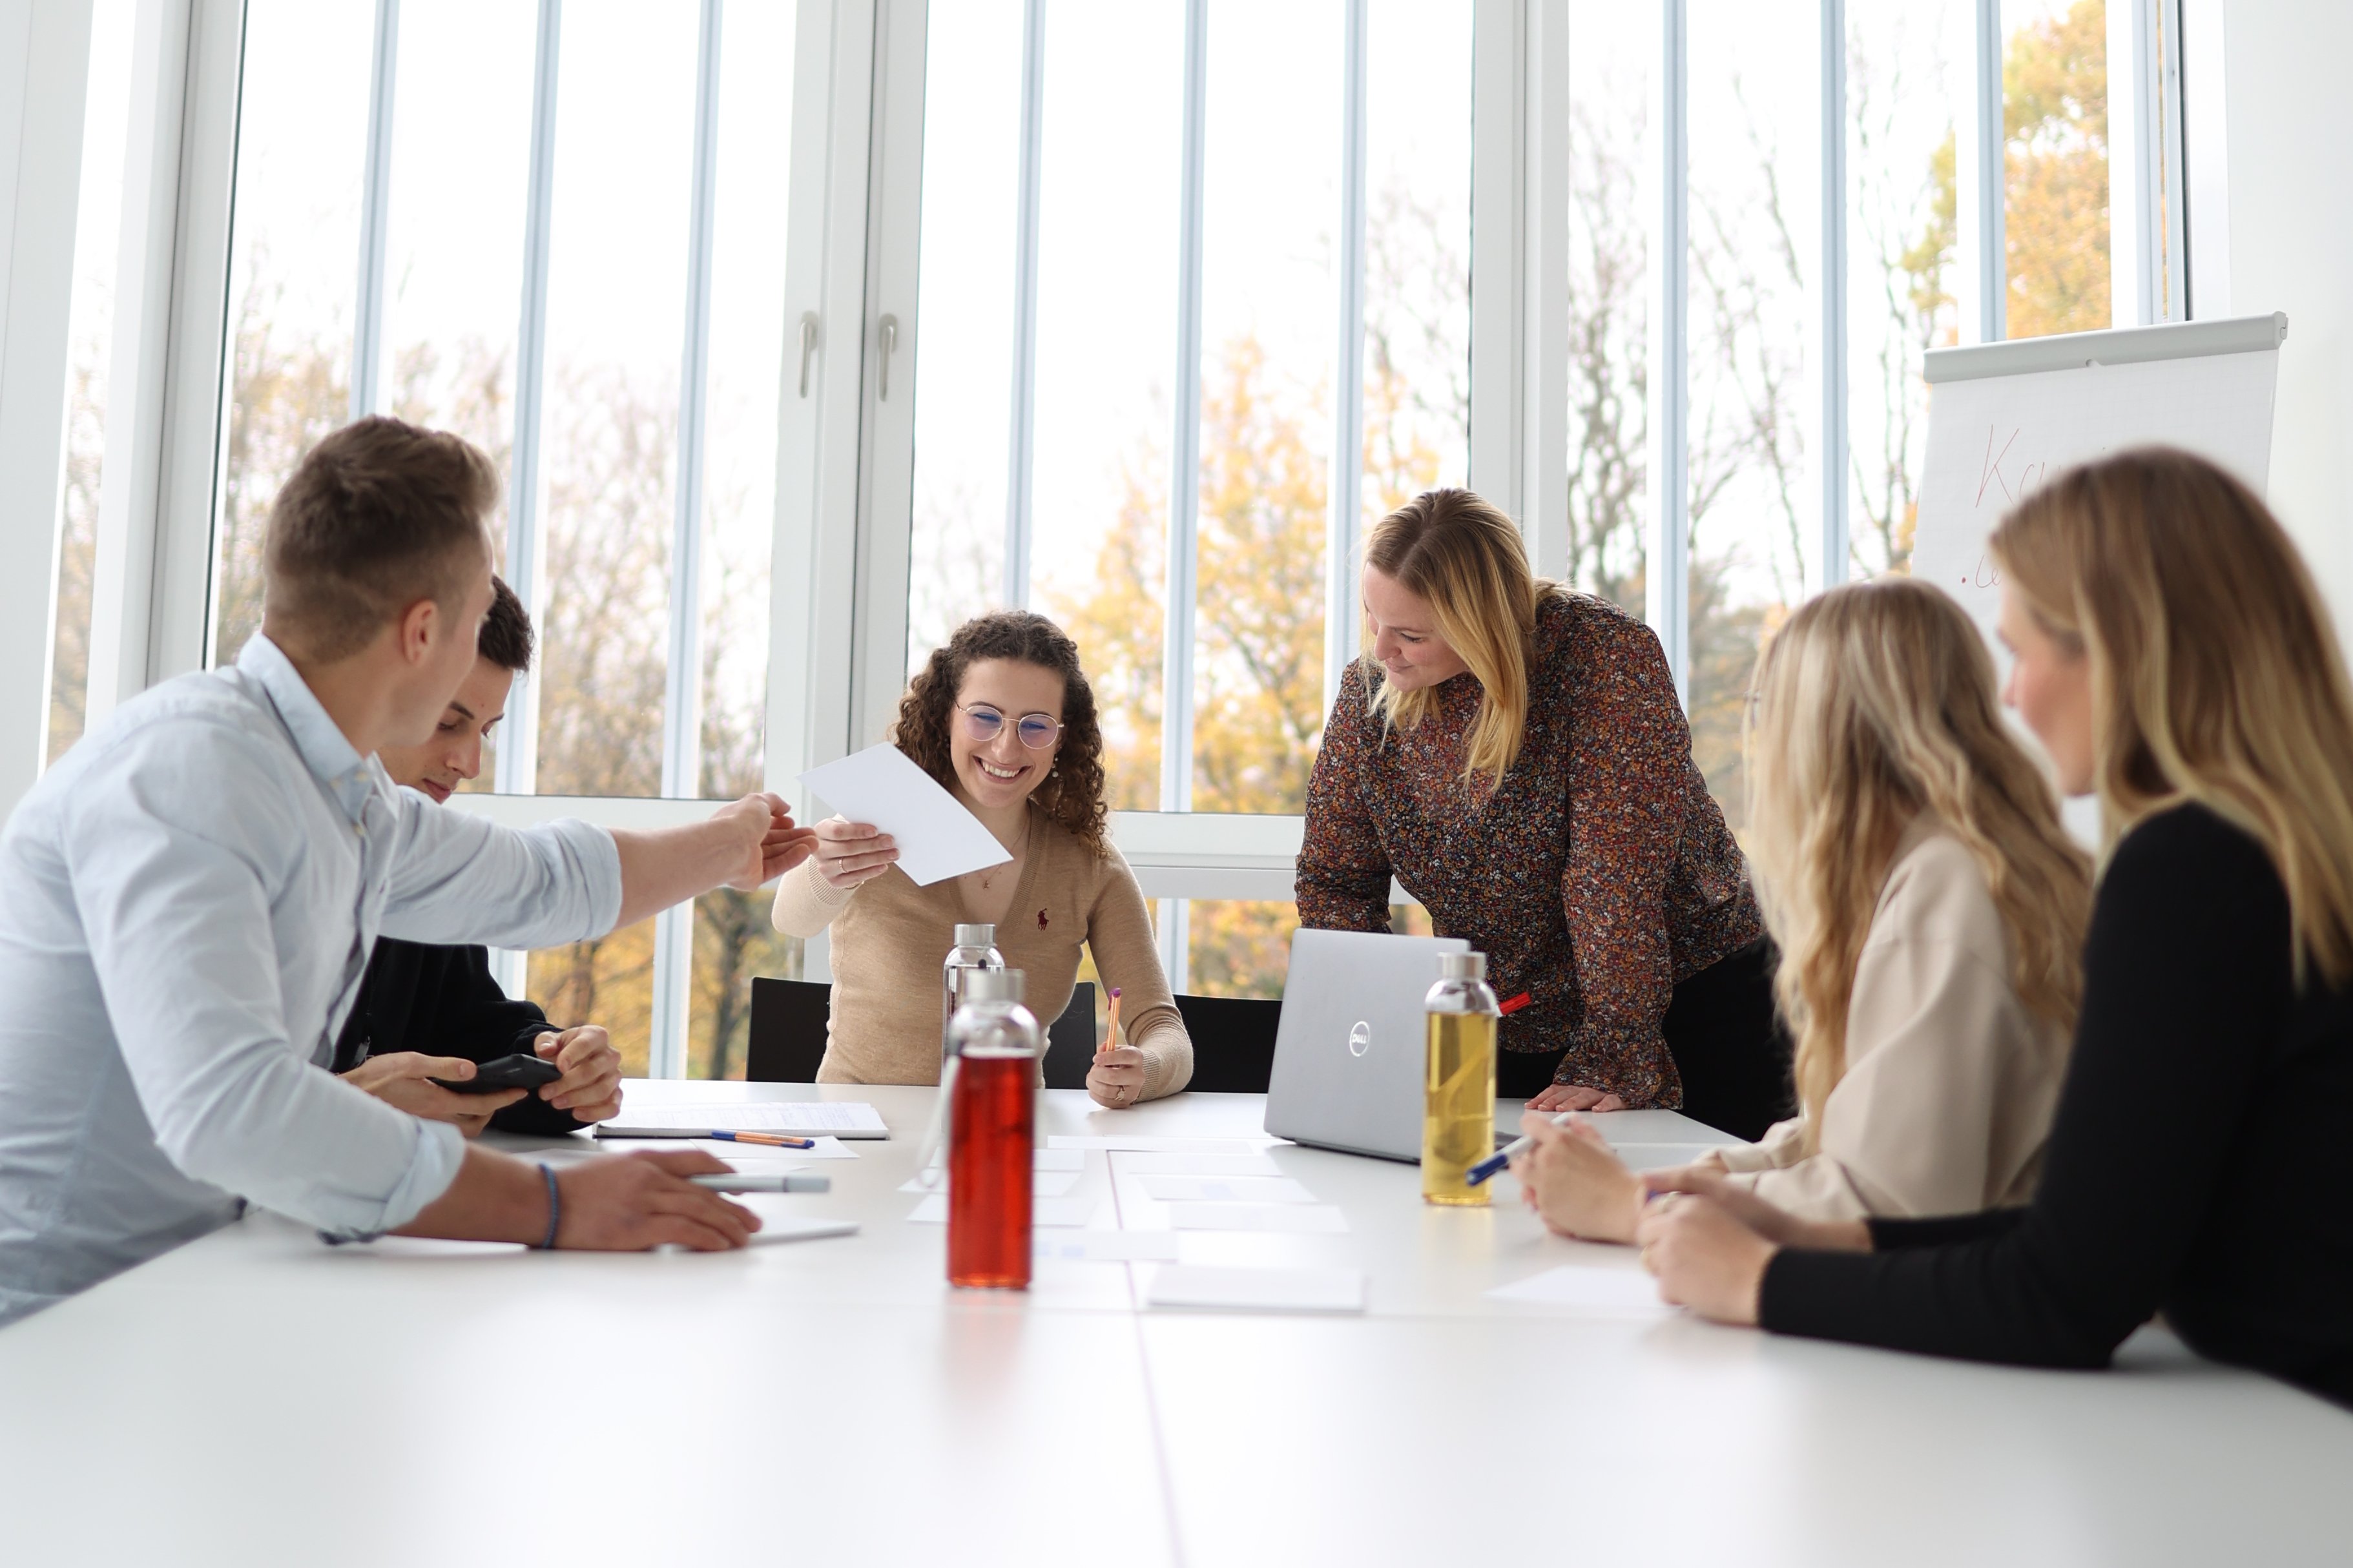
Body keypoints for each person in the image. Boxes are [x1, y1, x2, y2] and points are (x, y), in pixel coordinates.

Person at [0, 416, 820, 1325]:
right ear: (424, 632)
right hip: (50, 1329)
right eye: (476, 620)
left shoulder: (333, 790)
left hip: (182, 1288)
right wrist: (557, 1206)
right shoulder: (190, 773)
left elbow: (539, 882)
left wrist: (728, 844)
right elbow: (233, 1110)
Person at [1635, 449, 2353, 1408]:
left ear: (2123, 649)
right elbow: (2081, 1237)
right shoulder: (2279, 849)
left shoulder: (2189, 868)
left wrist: (1758, 1282)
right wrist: (1815, 1236)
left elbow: (2061, 1298)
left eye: (2022, 654)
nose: (2007, 698)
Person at [1512, 578, 2091, 1241]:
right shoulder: (1944, 861)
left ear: (1815, 726)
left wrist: (1630, 1211)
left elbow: (1885, 1200)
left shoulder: (1945, 893)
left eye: (1766, 707)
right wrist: (1682, 1182)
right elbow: (1839, 1134)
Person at [1296, 488, 1785, 1137]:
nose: (1380, 652)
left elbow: (1612, 882)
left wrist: (1616, 1047)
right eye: (1372, 618)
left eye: (1411, 634)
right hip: (1516, 1014)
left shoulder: (1604, 658)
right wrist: (1376, 1037)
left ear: (1482, 624)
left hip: (1689, 998)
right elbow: (1335, 883)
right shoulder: (1375, 691)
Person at [772, 611, 1192, 1107]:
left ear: (1062, 738)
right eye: (984, 716)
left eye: (1035, 726)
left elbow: (1163, 1028)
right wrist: (828, 869)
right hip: (867, 1132)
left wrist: (1146, 1068)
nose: (1006, 746)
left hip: (1008, 1133)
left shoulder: (1090, 866)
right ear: (945, 714)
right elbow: (791, 921)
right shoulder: (876, 822)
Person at [333, 576, 624, 1137]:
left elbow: (465, 1031)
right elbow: (189, 1107)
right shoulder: (247, 845)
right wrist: (346, 1105)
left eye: (485, 733)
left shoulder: (425, 856)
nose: (469, 763)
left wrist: (555, 1067)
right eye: (446, 722)